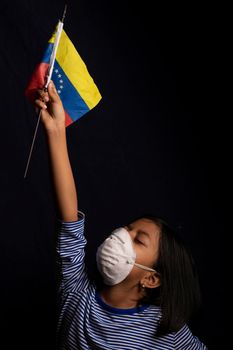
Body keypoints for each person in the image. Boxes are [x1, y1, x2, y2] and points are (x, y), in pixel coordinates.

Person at [35, 81, 208, 349]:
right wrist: (55, 129)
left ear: (151, 278)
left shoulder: (169, 333)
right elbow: (68, 220)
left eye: (139, 239)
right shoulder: (76, 292)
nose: (122, 234)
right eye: (128, 228)